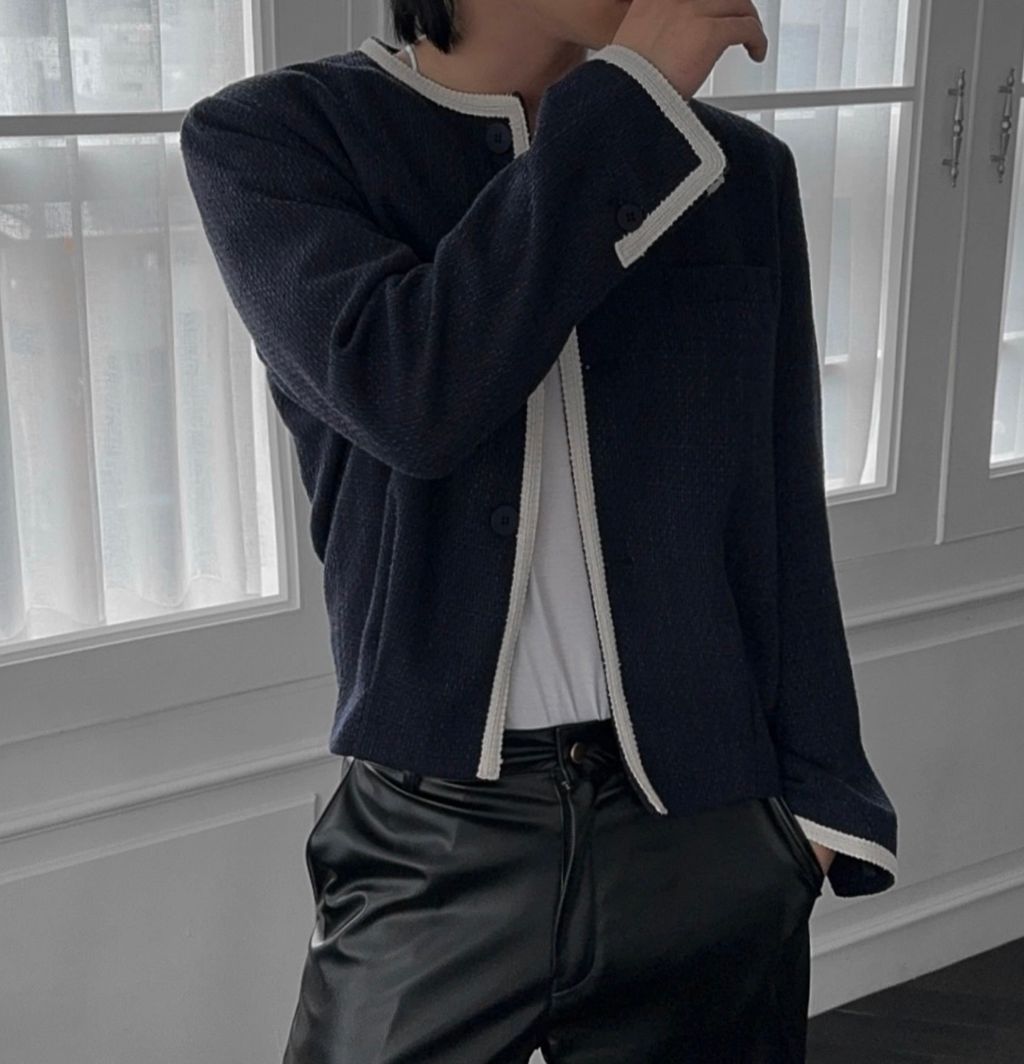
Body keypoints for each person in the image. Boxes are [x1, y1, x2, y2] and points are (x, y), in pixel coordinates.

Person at [180, 0, 899, 1059]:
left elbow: (779, 514)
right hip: (435, 837)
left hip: (706, 823)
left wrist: (819, 811)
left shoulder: (740, 172)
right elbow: (412, 395)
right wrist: (632, 102)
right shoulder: (276, 137)